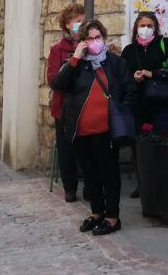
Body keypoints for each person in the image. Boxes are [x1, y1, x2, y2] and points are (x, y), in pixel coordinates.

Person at [50, 19, 135, 237]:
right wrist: (75, 59)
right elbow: (58, 85)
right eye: (89, 38)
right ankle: (97, 212)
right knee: (90, 174)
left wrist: (120, 111)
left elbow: (129, 90)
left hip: (106, 131)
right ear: (82, 42)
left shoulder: (115, 63)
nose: (94, 42)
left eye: (98, 37)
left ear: (104, 38)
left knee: (109, 173)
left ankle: (112, 217)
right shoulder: (77, 64)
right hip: (81, 131)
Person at [121, 10, 168, 199]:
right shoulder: (129, 50)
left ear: (155, 28)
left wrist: (151, 74)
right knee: (139, 146)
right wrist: (133, 77)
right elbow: (121, 76)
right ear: (136, 28)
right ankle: (143, 183)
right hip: (137, 104)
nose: (145, 29)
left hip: (160, 102)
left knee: (160, 141)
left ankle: (161, 182)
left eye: (149, 26)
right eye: (142, 25)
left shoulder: (165, 45)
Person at [46, 3, 85, 201]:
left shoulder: (89, 45)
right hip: (64, 106)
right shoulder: (57, 50)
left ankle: (90, 186)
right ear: (68, 25)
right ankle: (70, 187)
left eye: (83, 21)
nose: (81, 25)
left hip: (85, 106)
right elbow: (52, 80)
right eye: (78, 22)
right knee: (66, 148)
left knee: (87, 147)